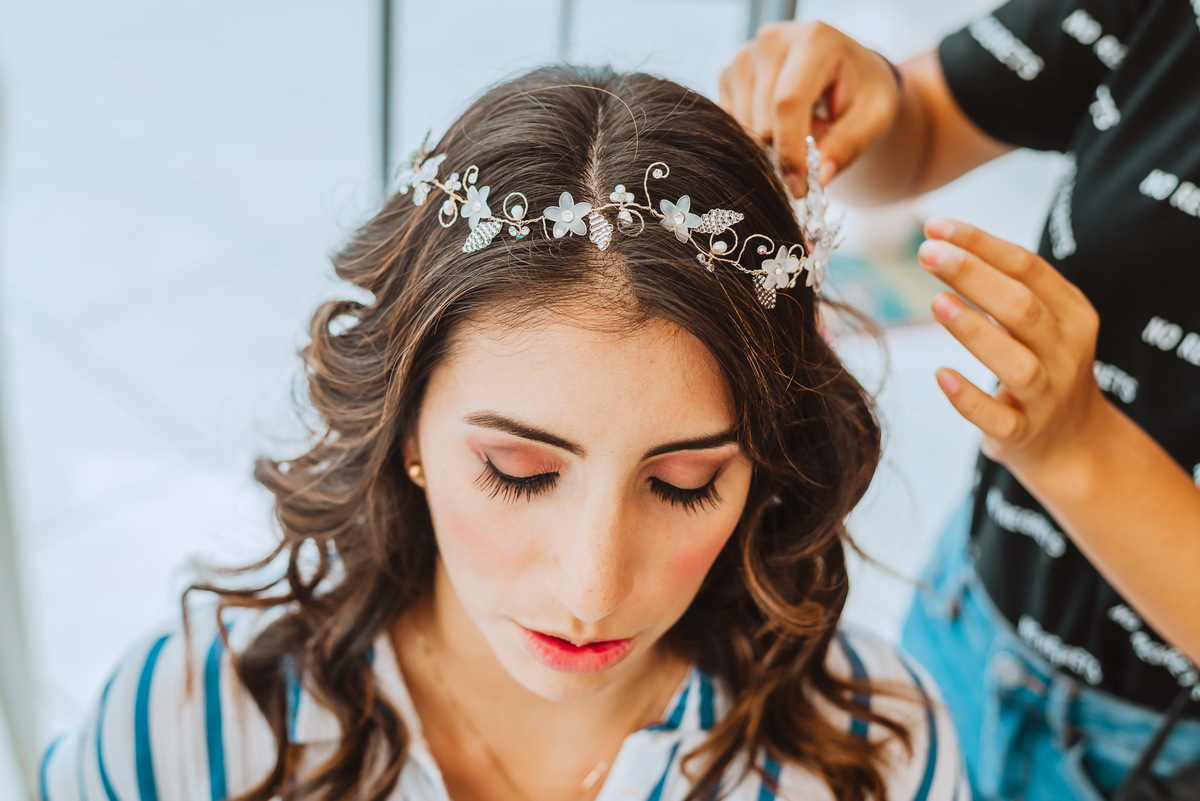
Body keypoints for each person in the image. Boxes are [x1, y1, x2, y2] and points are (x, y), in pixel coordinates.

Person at [36, 66, 966, 801]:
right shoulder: (185, 731)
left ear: (764, 466)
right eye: (519, 471)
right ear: (407, 427)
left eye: (684, 482)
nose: (592, 588)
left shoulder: (876, 756)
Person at [719, 2, 1200, 798]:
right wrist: (867, 96)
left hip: (1154, 750)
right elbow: (925, 125)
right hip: (966, 613)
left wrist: (1074, 443)